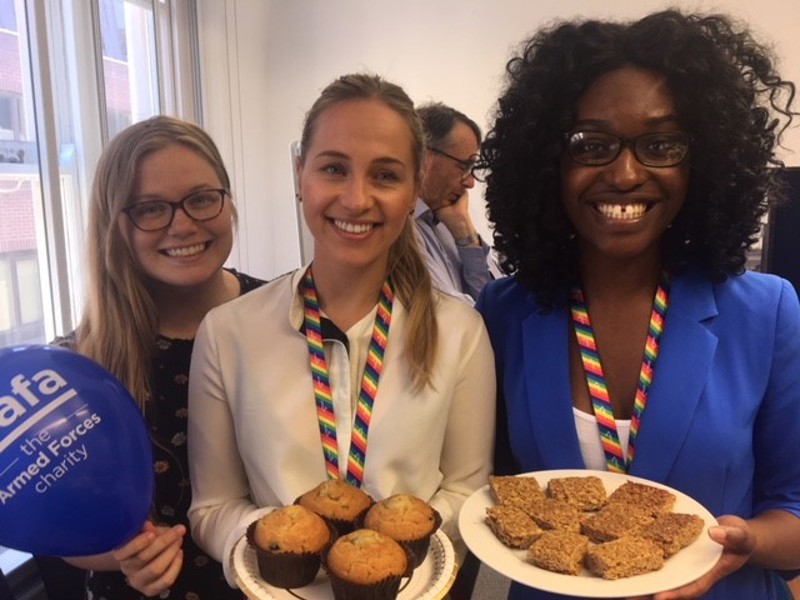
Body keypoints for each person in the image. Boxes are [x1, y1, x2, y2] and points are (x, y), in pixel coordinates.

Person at [476, 10, 800, 600]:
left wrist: (747, 541)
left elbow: (796, 508)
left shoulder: (767, 313)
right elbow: (485, 490)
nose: (625, 174)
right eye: (591, 145)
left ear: (702, 159)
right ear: (549, 162)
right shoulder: (503, 313)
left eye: (660, 144)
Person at [187, 73, 496, 592]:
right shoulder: (227, 333)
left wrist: (389, 556)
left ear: (414, 186)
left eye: (385, 175)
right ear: (300, 173)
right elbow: (212, 507)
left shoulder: (461, 333)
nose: (356, 200)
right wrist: (273, 546)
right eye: (334, 168)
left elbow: (467, 490)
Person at [53, 115, 263, 599]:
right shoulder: (78, 367)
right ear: (115, 224)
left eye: (202, 198)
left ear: (228, 203)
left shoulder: (285, 314)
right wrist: (121, 555)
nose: (183, 224)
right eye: (150, 209)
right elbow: (61, 517)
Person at [414, 102, 494, 303]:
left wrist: (464, 233)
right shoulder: (397, 228)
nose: (470, 182)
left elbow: (495, 304)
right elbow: (453, 317)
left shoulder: (447, 220)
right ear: (424, 156)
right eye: (464, 166)